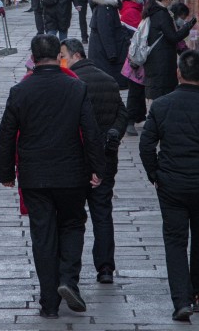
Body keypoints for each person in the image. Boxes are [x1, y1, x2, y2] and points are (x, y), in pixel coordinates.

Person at [0, 34, 105, 318]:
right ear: (59, 56)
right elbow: (90, 131)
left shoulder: (20, 91)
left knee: (43, 234)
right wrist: (97, 168)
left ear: (32, 58)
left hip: (35, 176)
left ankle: (49, 303)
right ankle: (68, 279)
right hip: (71, 173)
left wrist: (6, 172)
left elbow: (7, 134)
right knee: (72, 224)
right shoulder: (75, 87)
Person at [139, 50, 199, 322]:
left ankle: (181, 300)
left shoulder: (161, 105)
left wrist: (155, 174)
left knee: (175, 241)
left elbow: (147, 145)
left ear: (178, 72)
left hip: (171, 183)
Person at [60, 38, 128, 284]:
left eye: (63, 55)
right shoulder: (108, 80)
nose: (61, 60)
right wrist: (113, 135)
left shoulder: (70, 83)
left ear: (76, 55)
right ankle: (106, 268)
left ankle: (70, 272)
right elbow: (123, 113)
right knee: (102, 214)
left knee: (73, 218)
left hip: (77, 162)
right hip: (106, 160)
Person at [143, 0, 196, 100]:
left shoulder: (153, 12)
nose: (171, 2)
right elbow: (173, 37)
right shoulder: (162, 14)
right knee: (164, 96)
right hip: (162, 62)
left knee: (159, 96)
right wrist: (188, 26)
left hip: (156, 61)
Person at [88, 0, 129, 88]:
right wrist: (112, 54)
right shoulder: (105, 8)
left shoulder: (107, 5)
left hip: (103, 51)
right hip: (104, 54)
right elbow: (106, 32)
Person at [120, 0, 145, 136]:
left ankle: (139, 116)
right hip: (135, 58)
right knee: (135, 89)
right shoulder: (130, 11)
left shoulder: (135, 9)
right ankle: (129, 120)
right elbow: (139, 33)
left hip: (135, 57)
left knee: (138, 89)